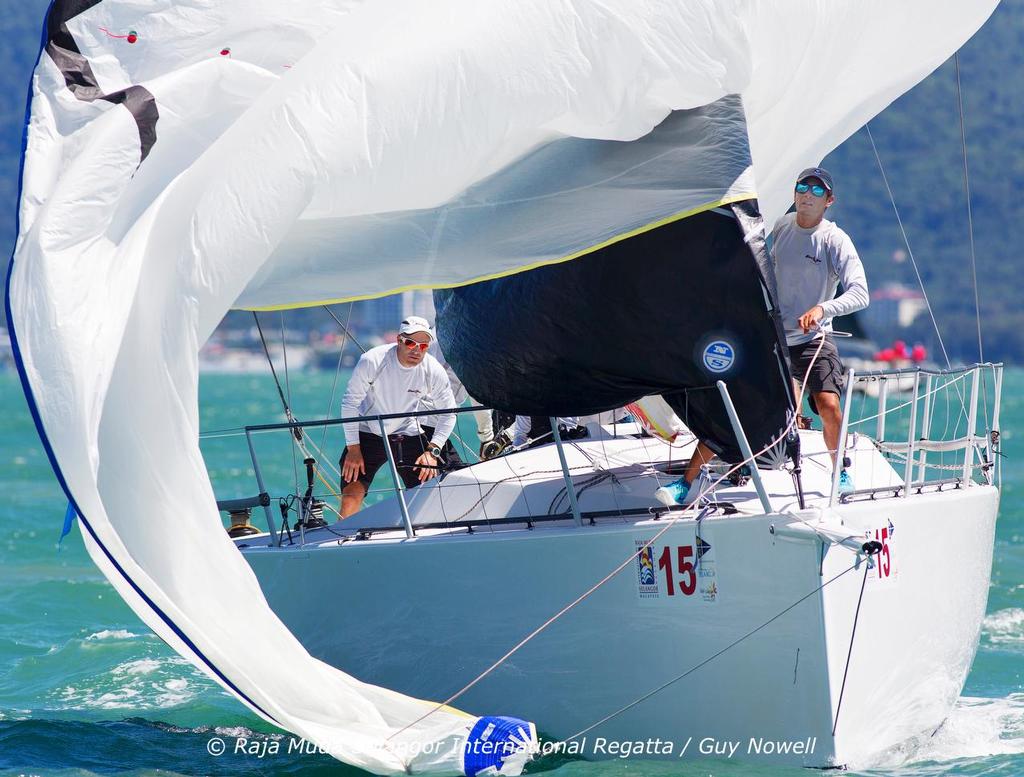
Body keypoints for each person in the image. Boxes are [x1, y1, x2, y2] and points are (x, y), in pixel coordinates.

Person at [772, 166, 868, 492]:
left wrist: (822, 308)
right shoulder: (781, 226)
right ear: (794, 193)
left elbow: (860, 293)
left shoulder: (833, 239)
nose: (807, 195)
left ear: (829, 200)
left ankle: (839, 471)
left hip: (814, 338)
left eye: (817, 191)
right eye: (802, 187)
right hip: (773, 337)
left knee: (829, 405)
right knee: (764, 405)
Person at [339, 316, 457, 517]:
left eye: (423, 345)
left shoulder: (432, 369)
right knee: (351, 493)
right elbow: (350, 403)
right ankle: (341, 539)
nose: (416, 350)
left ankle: (424, 536)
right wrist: (353, 448)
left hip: (407, 430)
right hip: (369, 430)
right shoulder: (372, 360)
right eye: (411, 343)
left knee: (428, 488)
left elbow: (448, 413)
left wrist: (432, 451)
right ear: (398, 340)